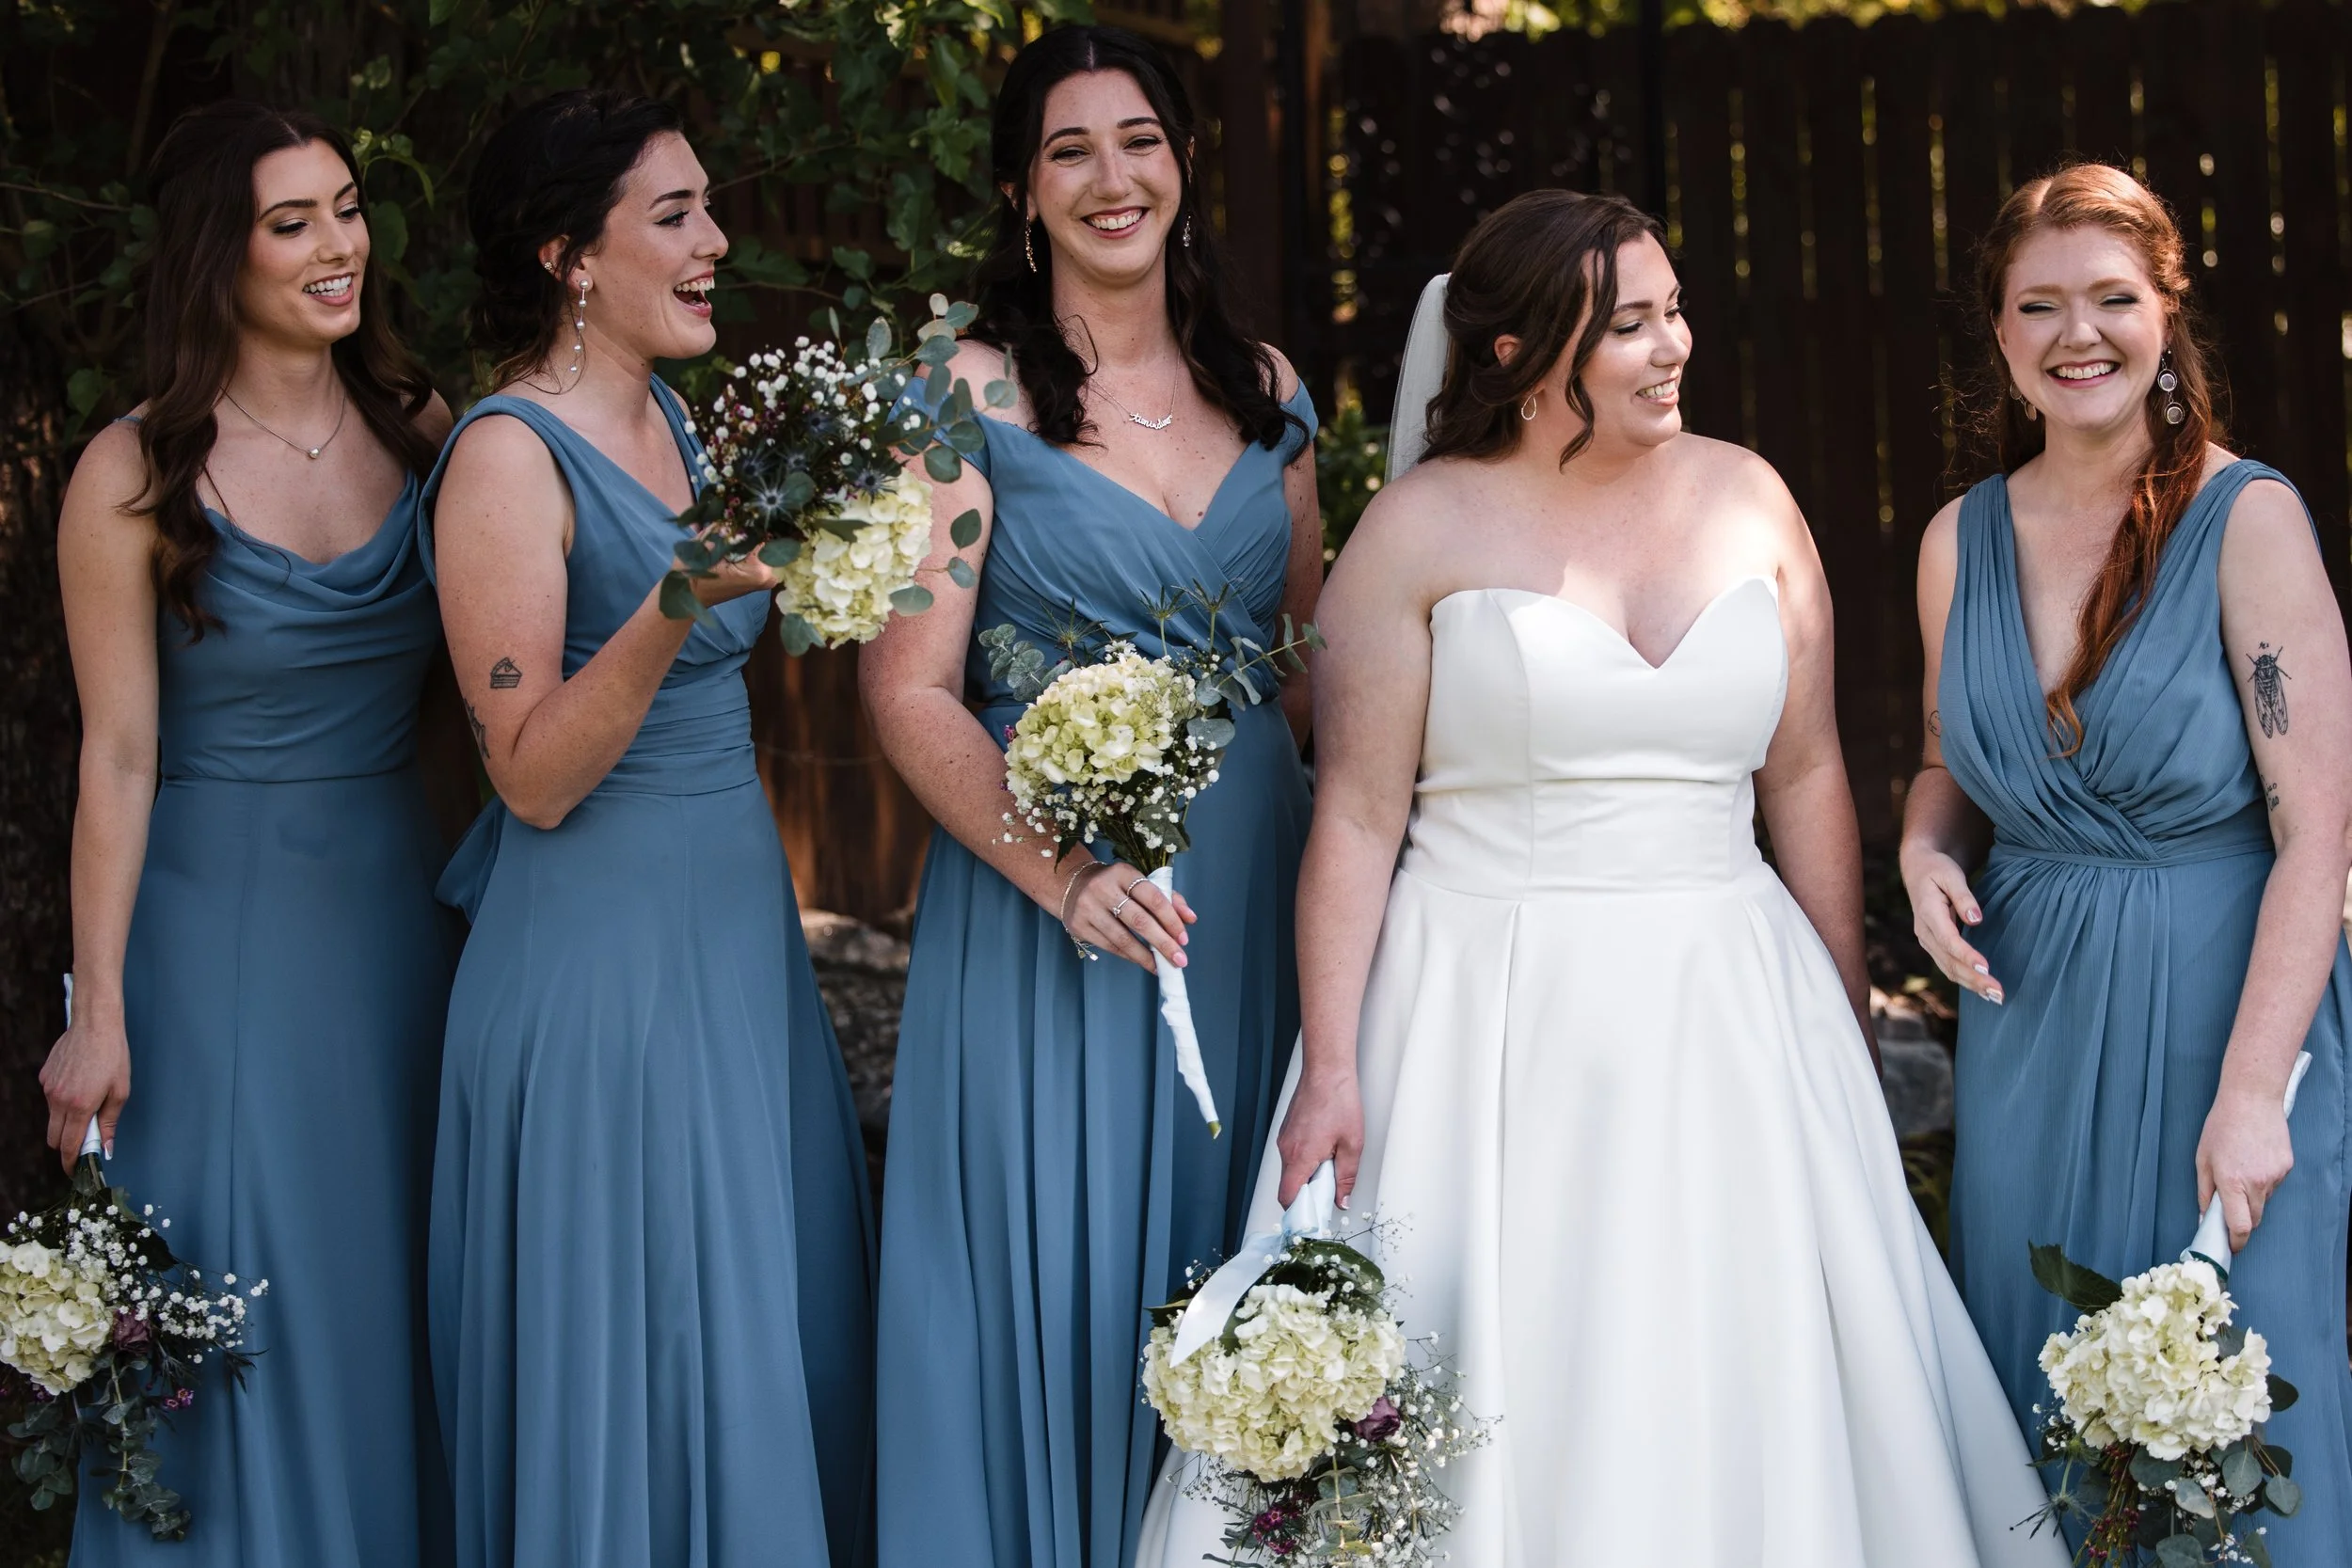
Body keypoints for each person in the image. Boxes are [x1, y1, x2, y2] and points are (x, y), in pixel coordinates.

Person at [1142, 189, 2067, 1567]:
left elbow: (1804, 776)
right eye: (1628, 324)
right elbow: (1352, 819)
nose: (1672, 345)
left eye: (1672, 310)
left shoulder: (1750, 496)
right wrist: (1332, 1061)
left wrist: (1840, 1011)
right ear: (1516, 355)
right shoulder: (1417, 531)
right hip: (1486, 1009)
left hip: (1732, 999)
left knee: (1745, 1351)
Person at [859, 24, 1321, 1567]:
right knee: (1061, 1286)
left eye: (1140, 140)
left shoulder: (1268, 391)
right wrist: (1059, 872)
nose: (1113, 177)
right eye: (1070, 150)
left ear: (1183, 164)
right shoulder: (962, 392)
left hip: (1252, 903)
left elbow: (1310, 672)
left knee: (1242, 1273)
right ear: (1019, 190)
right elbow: (906, 690)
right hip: (1053, 923)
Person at [421, 89, 872, 1568]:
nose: (716, 242)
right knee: (640, 1356)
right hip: (597, 965)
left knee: (751, 1329)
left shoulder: (678, 415)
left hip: (731, 934)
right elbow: (533, 774)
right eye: (673, 215)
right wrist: (685, 593)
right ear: (569, 255)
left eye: (708, 208)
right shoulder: (507, 456)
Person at [1903, 161, 2352, 1551]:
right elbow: (1944, 763)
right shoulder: (1955, 540)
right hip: (2028, 1024)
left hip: (2228, 1019)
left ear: (2167, 311)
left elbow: (2320, 830)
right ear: (1999, 333)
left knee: (2236, 1402)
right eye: (2038, 305)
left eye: (2111, 298)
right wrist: (1923, 852)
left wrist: (2253, 1093)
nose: (2074, 334)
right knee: (2040, 1385)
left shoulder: (2247, 519)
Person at [45, 101, 455, 1566]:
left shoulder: (426, 432)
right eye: (293, 223)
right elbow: (120, 750)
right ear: (221, 253)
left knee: (384, 1277)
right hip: (214, 938)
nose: (340, 244)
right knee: (245, 1277)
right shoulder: (134, 470)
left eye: (346, 207)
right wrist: (98, 1011)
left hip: (397, 919)